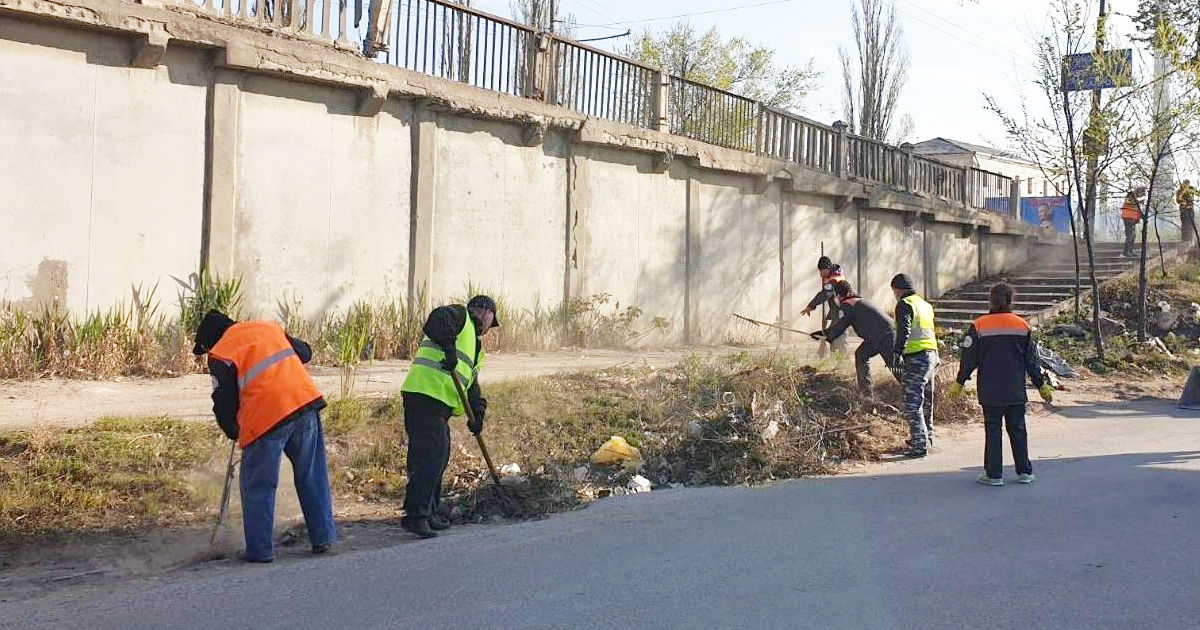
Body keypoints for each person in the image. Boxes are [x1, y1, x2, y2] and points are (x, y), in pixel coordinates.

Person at [193, 310, 336, 563]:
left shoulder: (221, 352)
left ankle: (260, 552)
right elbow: (305, 353)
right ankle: (323, 538)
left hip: (266, 418)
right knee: (312, 475)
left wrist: (233, 431)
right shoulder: (269, 327)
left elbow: (224, 403)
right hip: (305, 404)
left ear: (211, 341)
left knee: (258, 485)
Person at [399, 295, 499, 538]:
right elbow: (435, 320)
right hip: (424, 395)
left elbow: (472, 386)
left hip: (437, 403)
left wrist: (478, 416)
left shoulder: (475, 346)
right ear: (486, 313)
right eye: (491, 320)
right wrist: (449, 349)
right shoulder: (459, 316)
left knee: (439, 456)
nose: (489, 327)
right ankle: (416, 516)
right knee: (431, 456)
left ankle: (428, 511)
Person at [949, 283, 1053, 487]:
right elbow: (1030, 360)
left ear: (991, 300)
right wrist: (1041, 384)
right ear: (1011, 301)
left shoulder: (979, 325)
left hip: (990, 389)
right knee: (1018, 429)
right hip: (1015, 388)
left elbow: (969, 358)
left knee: (993, 430)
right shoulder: (1022, 325)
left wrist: (959, 382)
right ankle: (1024, 472)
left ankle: (994, 475)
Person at [810, 281, 900, 397]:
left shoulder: (848, 304)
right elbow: (841, 325)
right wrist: (825, 334)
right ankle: (866, 394)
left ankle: (917, 392)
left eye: (835, 295)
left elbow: (841, 326)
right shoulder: (857, 301)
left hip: (885, 336)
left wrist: (825, 334)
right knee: (861, 354)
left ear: (839, 295)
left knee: (896, 368)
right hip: (878, 336)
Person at [891, 273, 938, 457]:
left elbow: (905, 329)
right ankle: (927, 438)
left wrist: (897, 351)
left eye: (894, 291)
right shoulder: (925, 304)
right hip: (932, 357)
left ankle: (919, 445)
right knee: (926, 401)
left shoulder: (905, 304)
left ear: (898, 289)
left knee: (912, 403)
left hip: (917, 358)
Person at [800, 256, 848, 353]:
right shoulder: (835, 276)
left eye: (821, 271)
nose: (820, 274)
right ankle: (838, 363)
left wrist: (811, 306)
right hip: (840, 313)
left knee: (838, 340)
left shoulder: (834, 280)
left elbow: (825, 294)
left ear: (826, 268)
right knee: (835, 340)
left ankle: (842, 364)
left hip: (842, 314)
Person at [1121, 190, 1143, 258]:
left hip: (1132, 219)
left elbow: (1137, 210)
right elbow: (1129, 201)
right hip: (1128, 218)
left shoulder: (1135, 200)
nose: (1141, 196)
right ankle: (1126, 252)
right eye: (1141, 194)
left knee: (1133, 236)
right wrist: (1138, 201)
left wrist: (1139, 218)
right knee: (1130, 236)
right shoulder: (1130, 196)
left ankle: (1130, 251)